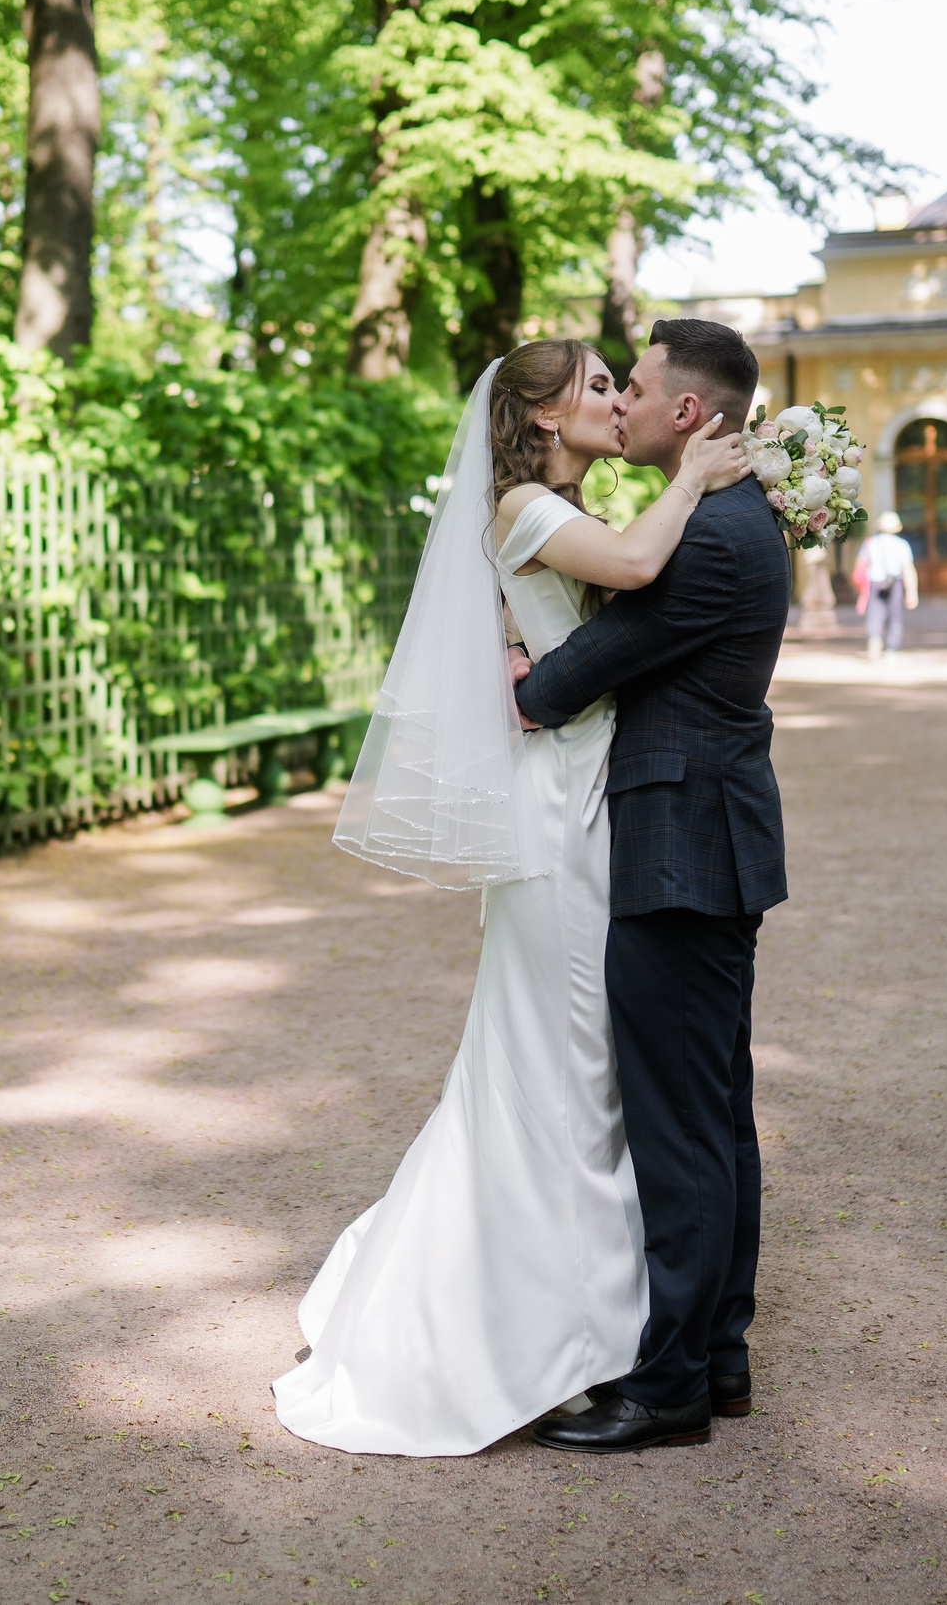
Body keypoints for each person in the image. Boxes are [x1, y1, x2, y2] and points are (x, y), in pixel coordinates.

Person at [285, 331, 752, 1457]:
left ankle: (605, 1329)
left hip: (604, 792)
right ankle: (564, 1333)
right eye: (599, 386)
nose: (616, 399)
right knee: (567, 1061)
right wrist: (695, 473)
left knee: (582, 1068)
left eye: (621, 385)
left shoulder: (561, 513)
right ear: (542, 417)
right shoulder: (521, 509)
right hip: (562, 811)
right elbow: (638, 572)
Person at [512, 318, 791, 1455]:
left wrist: (531, 676)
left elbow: (568, 681)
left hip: (677, 853)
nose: (618, 399)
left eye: (633, 386)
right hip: (711, 842)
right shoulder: (733, 516)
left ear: (688, 413)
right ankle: (718, 1353)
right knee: (716, 1112)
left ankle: (671, 1380)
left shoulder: (708, 539)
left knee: (681, 1126)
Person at [858, 510, 917, 658]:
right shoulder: (902, 545)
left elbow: (860, 566)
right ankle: (892, 648)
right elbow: (908, 569)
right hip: (894, 582)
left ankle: (874, 643)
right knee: (895, 616)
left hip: (875, 582)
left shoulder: (870, 543)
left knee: (874, 615)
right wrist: (912, 592)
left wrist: (861, 590)